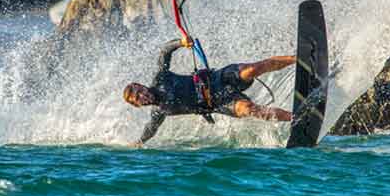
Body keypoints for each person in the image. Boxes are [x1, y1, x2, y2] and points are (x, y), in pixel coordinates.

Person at [123, 39, 295, 146]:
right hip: (219, 103)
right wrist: (138, 143)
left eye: (140, 91)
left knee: (252, 69)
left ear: (142, 85)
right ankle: (295, 117)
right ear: (138, 105)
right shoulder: (160, 111)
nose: (142, 95)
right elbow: (150, 130)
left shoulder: (160, 78)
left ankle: (300, 59)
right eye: (138, 98)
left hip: (218, 78)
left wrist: (181, 43)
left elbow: (164, 52)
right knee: (249, 110)